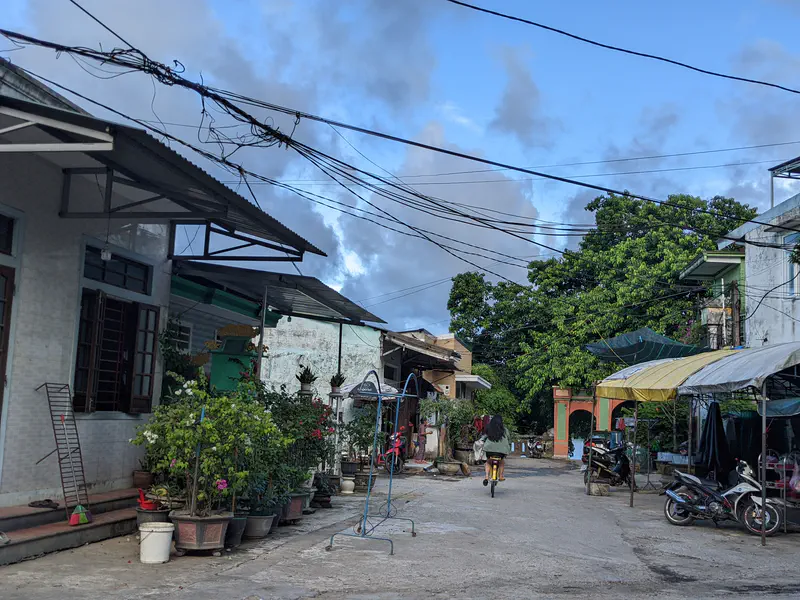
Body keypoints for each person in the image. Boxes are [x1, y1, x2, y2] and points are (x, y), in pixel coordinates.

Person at [481, 415, 510, 486]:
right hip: (501, 452)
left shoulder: (488, 428)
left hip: (489, 451)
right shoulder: (505, 430)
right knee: (501, 462)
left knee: (488, 462)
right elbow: (509, 439)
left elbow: (484, 437)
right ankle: (501, 476)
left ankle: (486, 477)